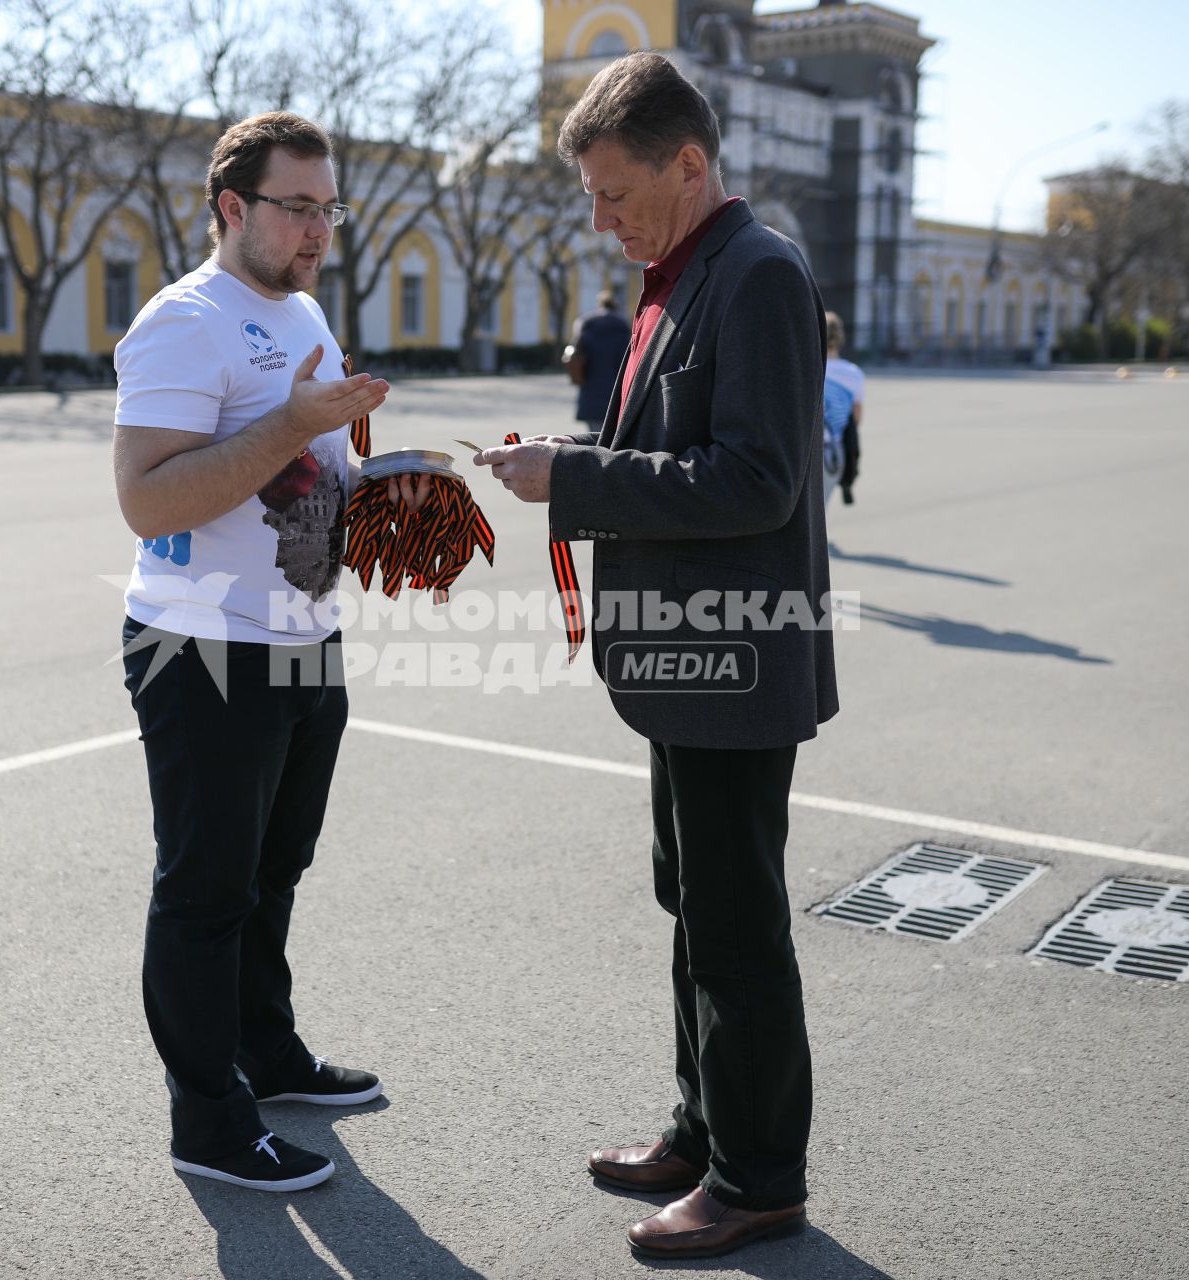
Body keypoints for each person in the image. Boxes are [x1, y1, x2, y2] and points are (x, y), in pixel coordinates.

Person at [476, 53, 837, 1261]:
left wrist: (573, 478)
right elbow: (674, 443)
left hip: (736, 663)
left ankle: (758, 1177)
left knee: (738, 922)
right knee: (694, 904)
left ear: (690, 164)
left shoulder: (759, 274)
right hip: (689, 668)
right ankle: (704, 1126)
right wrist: (573, 452)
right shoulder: (683, 273)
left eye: (614, 191)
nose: (601, 216)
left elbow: (756, 478)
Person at [111, 111, 428, 1194]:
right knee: (205, 889)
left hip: (302, 638)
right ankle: (206, 1115)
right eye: (299, 207)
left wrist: (381, 490)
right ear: (233, 208)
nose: (319, 230)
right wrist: (293, 425)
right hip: (202, 647)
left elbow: (303, 469)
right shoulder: (183, 322)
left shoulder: (304, 310)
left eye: (329, 209)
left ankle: (266, 1051)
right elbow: (146, 496)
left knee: (275, 869)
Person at [571, 289, 632, 428]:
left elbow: (575, 352)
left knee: (593, 435)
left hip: (590, 388)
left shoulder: (585, 324)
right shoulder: (623, 326)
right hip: (616, 392)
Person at [822, 310, 865, 505]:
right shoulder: (853, 373)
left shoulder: (809, 368)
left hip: (807, 450)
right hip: (835, 451)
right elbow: (855, 418)